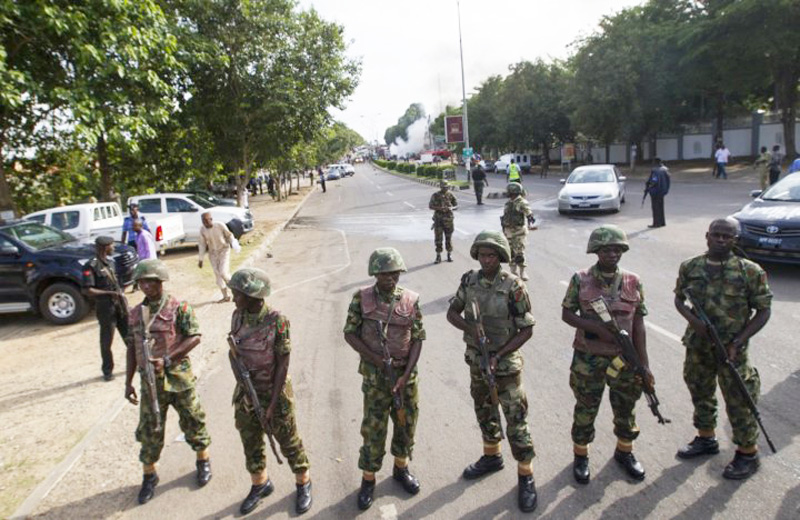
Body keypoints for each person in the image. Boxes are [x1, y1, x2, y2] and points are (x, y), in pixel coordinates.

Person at [673, 218, 772, 480]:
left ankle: (747, 453)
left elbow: (763, 311)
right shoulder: (691, 266)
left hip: (732, 350)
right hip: (698, 345)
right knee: (700, 390)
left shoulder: (749, 271)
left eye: (727, 236)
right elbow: (679, 299)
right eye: (716, 235)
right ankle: (706, 438)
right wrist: (694, 321)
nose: (720, 240)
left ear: (735, 240)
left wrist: (738, 341)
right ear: (707, 236)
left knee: (739, 399)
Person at [446, 231, 537, 512]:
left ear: (501, 257)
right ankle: (492, 456)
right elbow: (452, 313)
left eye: (492, 255)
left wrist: (499, 354)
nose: (486, 260)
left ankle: (526, 474)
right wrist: (470, 328)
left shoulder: (513, 286)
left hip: (506, 364)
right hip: (477, 360)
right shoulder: (469, 281)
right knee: (484, 409)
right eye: (483, 255)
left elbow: (527, 328)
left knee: (515, 417)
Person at [561, 225, 651, 484]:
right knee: (586, 408)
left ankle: (625, 452)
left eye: (617, 249)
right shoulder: (581, 279)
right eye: (606, 249)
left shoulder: (633, 281)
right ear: (596, 251)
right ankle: (581, 456)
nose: (612, 254)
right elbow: (567, 314)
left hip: (624, 360)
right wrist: (597, 329)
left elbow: (639, 324)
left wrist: (643, 365)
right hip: (588, 359)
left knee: (626, 408)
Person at [124, 259, 212, 504]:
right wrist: (128, 382)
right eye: (141, 281)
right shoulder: (134, 315)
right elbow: (132, 348)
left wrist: (168, 358)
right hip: (150, 383)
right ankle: (149, 476)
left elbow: (195, 336)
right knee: (150, 430)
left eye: (150, 281)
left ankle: (203, 461)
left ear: (160, 281)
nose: (145, 286)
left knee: (193, 420)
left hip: (178, 379)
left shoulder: (178, 307)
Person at [344, 248, 425, 511]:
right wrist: (376, 360)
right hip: (376, 380)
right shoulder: (362, 299)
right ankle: (369, 479)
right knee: (373, 429)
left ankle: (401, 469)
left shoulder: (410, 300)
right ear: (375, 273)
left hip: (406, 377)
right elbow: (350, 334)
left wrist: (406, 373)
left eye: (394, 272)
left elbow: (417, 338)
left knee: (405, 423)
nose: (390, 278)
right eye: (385, 273)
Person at [227, 268, 312, 515]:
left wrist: (272, 404)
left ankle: (303, 481)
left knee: (289, 441)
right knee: (251, 440)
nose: (233, 298)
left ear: (252, 294)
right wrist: (243, 386)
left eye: (237, 294)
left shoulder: (278, 321)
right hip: (246, 394)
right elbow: (233, 352)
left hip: (275, 393)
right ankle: (260, 484)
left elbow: (283, 365)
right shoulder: (237, 316)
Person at [83, 236, 129, 381]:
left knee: (130, 337)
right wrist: (110, 293)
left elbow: (116, 282)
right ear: (104, 247)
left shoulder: (111, 262)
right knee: (106, 341)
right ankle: (107, 371)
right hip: (105, 308)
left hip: (119, 305)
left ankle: (139, 362)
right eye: (111, 246)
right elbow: (88, 290)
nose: (113, 248)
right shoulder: (91, 266)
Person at [198, 212, 236, 303]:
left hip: (224, 250)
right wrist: (201, 259)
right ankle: (225, 296)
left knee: (223, 272)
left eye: (207, 220)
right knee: (217, 274)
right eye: (203, 221)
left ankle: (236, 291)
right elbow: (202, 244)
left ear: (211, 219)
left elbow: (229, 235)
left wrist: (234, 244)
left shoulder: (219, 225)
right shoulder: (202, 230)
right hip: (213, 253)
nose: (205, 223)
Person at [501, 182, 533, 281]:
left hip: (519, 231)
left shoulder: (521, 202)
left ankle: (522, 271)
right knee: (510, 252)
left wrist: (530, 217)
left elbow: (527, 210)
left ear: (513, 192)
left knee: (519, 252)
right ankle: (513, 271)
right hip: (508, 231)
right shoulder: (508, 203)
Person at [428, 180, 458, 264]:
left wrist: (451, 208)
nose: (445, 188)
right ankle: (438, 256)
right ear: (440, 187)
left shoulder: (450, 195)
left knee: (448, 238)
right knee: (438, 239)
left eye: (446, 187)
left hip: (449, 220)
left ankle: (449, 254)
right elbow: (430, 206)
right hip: (438, 221)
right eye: (443, 187)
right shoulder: (435, 195)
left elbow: (456, 205)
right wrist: (439, 208)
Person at [645, 158, 671, 228]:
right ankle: (662, 222)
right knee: (661, 207)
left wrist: (649, 186)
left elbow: (654, 181)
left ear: (655, 162)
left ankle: (656, 223)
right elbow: (668, 180)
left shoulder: (655, 170)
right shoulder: (665, 169)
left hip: (655, 192)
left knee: (655, 208)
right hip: (662, 191)